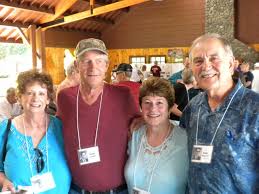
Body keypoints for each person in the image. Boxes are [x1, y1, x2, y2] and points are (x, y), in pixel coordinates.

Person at [57, 38, 140, 194]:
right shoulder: (65, 98)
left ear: (107, 66)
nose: (93, 67)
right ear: (76, 65)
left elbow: (142, 124)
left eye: (99, 61)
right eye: (86, 61)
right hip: (77, 190)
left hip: (117, 190)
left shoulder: (123, 95)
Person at [180, 33, 259, 193]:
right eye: (198, 61)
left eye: (214, 58)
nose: (206, 66)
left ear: (231, 65)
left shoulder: (255, 108)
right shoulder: (192, 108)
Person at [0, 70, 71, 193]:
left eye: (41, 94)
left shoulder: (61, 127)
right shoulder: (6, 128)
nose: (35, 98)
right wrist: (3, 181)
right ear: (20, 98)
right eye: (29, 93)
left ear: (48, 99)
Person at [125, 77, 188, 194]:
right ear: (141, 107)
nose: (153, 109)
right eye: (147, 102)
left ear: (169, 107)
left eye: (159, 103)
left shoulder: (186, 137)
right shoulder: (135, 135)